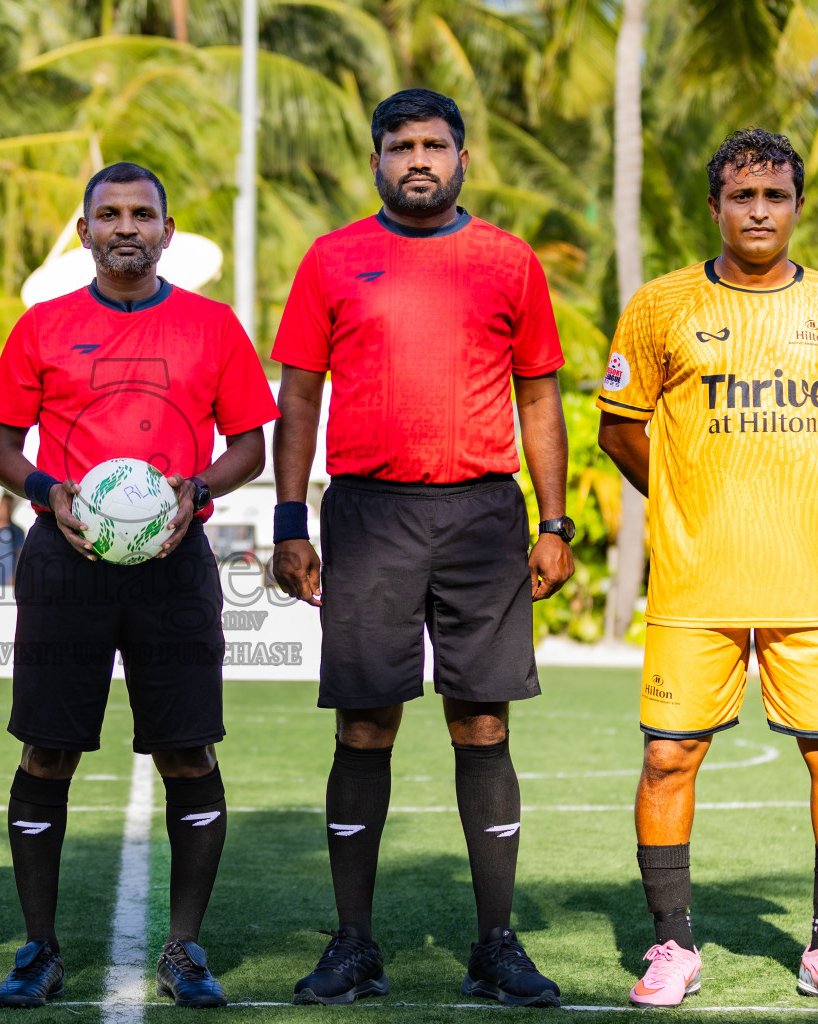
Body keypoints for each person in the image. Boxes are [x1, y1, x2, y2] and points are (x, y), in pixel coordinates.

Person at [270, 89, 573, 1008]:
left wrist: (554, 522)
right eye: (400, 145)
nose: (417, 159)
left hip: (483, 515)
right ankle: (354, 945)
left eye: (434, 145)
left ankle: (495, 946)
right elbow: (298, 395)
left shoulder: (508, 260)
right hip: (370, 514)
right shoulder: (331, 259)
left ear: (462, 160)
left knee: (483, 724)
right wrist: (290, 521)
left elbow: (540, 395)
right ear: (375, 161)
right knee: (365, 726)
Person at [596, 129, 818, 1012]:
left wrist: (790, 486)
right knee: (668, 757)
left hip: (812, 579)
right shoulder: (660, 305)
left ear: (796, 206)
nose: (759, 211)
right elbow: (620, 428)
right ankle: (672, 945)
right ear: (715, 205)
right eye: (742, 195)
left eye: (775, 196)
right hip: (697, 581)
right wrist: (692, 495)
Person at [0, 161, 278, 1009]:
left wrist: (199, 490)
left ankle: (183, 948)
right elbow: (2, 445)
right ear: (83, 233)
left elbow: (250, 445)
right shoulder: (42, 327)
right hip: (64, 562)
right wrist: (49, 492)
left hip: (174, 565)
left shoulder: (213, 326)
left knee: (188, 751)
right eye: (108, 214)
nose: (126, 227)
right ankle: (39, 950)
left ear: (166, 231)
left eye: (142, 214)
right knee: (48, 750)